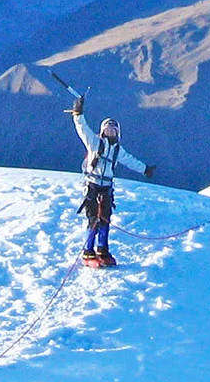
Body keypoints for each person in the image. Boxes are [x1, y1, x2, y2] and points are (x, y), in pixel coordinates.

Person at [66, 94, 154, 267]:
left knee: (105, 219)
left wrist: (144, 169)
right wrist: (78, 113)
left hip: (106, 187)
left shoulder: (117, 150)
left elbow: (129, 160)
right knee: (93, 219)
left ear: (118, 133)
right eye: (108, 130)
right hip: (92, 185)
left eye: (113, 130)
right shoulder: (94, 142)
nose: (110, 132)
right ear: (102, 131)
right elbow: (82, 128)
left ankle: (102, 250)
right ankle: (88, 252)